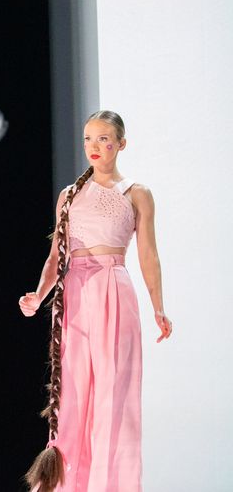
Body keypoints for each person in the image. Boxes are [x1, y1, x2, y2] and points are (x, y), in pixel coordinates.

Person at [19, 110, 173, 492]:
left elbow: (148, 255)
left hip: (113, 290)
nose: (94, 146)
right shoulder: (69, 195)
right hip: (76, 294)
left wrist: (158, 306)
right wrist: (39, 294)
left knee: (112, 394)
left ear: (121, 144)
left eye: (104, 139)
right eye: (89, 138)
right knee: (73, 394)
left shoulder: (137, 193)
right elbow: (56, 256)